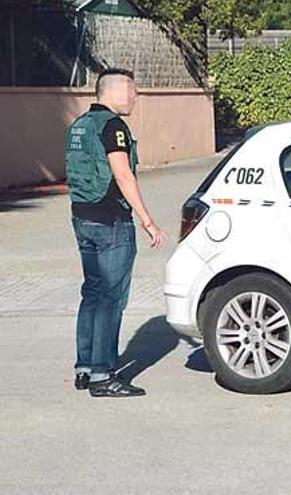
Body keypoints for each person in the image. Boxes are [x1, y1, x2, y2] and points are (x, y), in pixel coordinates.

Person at [65, 68, 167, 397]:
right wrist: (147, 219)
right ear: (116, 92)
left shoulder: (78, 126)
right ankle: (102, 374)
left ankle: (84, 366)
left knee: (92, 293)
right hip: (111, 223)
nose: (135, 98)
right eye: (133, 92)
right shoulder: (113, 126)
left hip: (82, 219)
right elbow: (123, 175)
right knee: (111, 297)